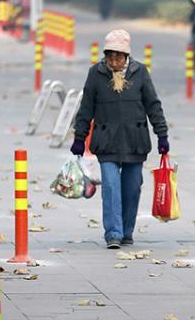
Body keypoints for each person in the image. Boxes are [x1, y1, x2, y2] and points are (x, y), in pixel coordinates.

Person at [71, 29, 168, 249]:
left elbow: (153, 105)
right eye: (110, 57)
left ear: (126, 56)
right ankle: (113, 233)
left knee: (132, 189)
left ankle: (126, 231)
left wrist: (162, 135)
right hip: (106, 142)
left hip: (135, 141)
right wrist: (79, 137)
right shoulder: (96, 74)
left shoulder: (139, 72)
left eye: (118, 57)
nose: (113, 62)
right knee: (111, 188)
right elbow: (86, 108)